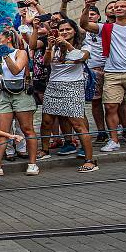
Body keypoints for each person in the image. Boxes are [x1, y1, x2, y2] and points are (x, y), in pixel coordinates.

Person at [81, 0, 126, 152]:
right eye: (116, 7)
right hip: (112, 73)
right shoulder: (106, 28)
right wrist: (87, 7)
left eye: (122, 6)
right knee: (110, 107)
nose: (118, 8)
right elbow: (84, 25)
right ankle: (114, 140)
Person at [40, 19, 96, 171]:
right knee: (46, 121)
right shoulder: (54, 46)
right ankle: (44, 150)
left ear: (74, 31)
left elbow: (81, 58)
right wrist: (50, 47)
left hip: (73, 86)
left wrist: (67, 45)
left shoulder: (84, 45)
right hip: (53, 85)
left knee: (78, 125)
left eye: (68, 29)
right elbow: (46, 63)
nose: (64, 32)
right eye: (62, 30)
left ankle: (90, 160)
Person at [0, 28, 40, 177]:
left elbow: (16, 70)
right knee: (2, 132)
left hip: (21, 93)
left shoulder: (20, 53)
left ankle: (32, 164)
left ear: (8, 39)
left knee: (27, 128)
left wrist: (5, 55)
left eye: (0, 36)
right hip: (4, 94)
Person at [82, 6, 109, 143]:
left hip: (110, 68)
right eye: (88, 14)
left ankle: (124, 130)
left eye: (93, 14)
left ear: (99, 16)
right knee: (96, 102)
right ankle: (101, 132)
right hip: (93, 69)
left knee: (115, 103)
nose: (90, 16)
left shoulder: (104, 28)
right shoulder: (82, 32)